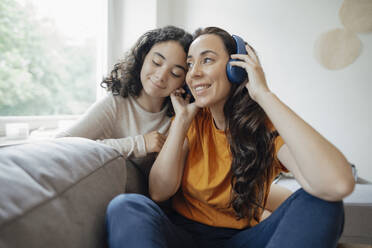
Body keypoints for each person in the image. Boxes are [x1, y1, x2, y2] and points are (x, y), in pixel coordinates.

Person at [105, 27, 355, 248]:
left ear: (236, 69)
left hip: (243, 239)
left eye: (207, 60)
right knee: (126, 206)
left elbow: (337, 185)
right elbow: (159, 192)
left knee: (324, 203)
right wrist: (181, 119)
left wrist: (263, 93)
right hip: (183, 236)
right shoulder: (191, 121)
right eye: (190, 64)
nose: (193, 74)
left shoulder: (263, 126)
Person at [55, 26, 192, 161]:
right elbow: (62, 143)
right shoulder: (116, 104)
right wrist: (140, 144)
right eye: (156, 62)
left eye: (175, 73)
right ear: (143, 57)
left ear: (184, 81)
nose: (161, 76)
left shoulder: (180, 118)